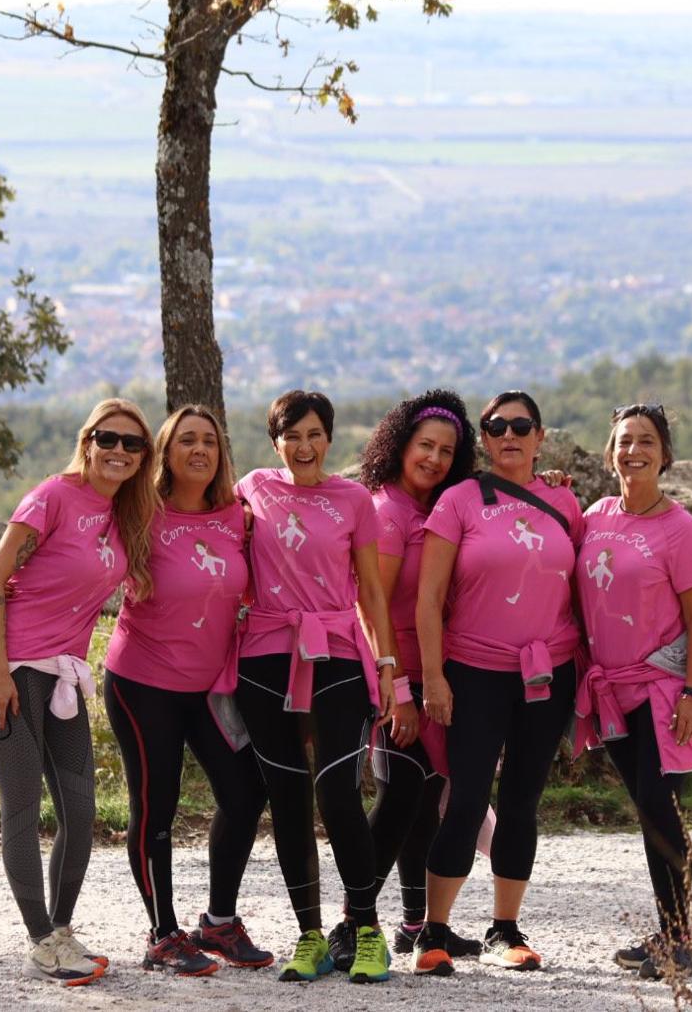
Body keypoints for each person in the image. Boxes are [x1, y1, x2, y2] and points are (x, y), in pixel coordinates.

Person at [0, 398, 157, 986]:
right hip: (7, 670)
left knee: (80, 812)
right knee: (23, 806)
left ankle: (60, 931)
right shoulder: (52, 496)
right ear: (87, 442)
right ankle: (40, 942)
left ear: (143, 457)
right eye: (107, 438)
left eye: (132, 443)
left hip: (61, 674)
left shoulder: (125, 513)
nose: (118, 450)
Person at [229, 389, 399, 984]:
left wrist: (386, 665)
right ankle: (309, 937)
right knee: (288, 796)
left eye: (314, 435)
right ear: (275, 443)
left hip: (337, 653)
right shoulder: (251, 488)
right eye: (291, 436)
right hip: (264, 655)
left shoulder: (354, 499)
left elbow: (371, 590)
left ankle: (367, 931)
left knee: (336, 791)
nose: (304, 447)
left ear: (329, 438)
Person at [414, 390, 584, 975]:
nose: (509, 434)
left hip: (548, 672)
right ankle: (434, 932)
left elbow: (583, 586)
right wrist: (433, 676)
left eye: (521, 425)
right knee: (465, 800)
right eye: (496, 426)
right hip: (473, 670)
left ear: (540, 436)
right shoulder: (458, 500)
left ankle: (505, 929)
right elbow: (429, 598)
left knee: (520, 803)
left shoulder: (566, 501)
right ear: (484, 438)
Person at [101, 405, 274, 977]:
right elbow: (79, 541)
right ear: (166, 453)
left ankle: (218, 923)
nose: (199, 449)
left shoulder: (237, 516)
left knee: (245, 792)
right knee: (157, 808)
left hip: (207, 687)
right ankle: (162, 935)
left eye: (209, 441)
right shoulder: (137, 511)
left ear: (221, 454)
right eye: (186, 440)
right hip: (142, 684)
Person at [575, 403, 692, 983]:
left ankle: (681, 939)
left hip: (665, 691)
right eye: (624, 441)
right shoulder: (595, 515)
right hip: (611, 693)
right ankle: (671, 933)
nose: (634, 450)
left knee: (661, 810)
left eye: (646, 441)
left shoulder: (680, 528)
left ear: (665, 455)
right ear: (610, 454)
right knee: (649, 811)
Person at [346, 389, 484, 966]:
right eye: (425, 445)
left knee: (424, 800)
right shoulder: (388, 510)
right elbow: (370, 604)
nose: (434, 458)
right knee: (399, 797)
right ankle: (353, 924)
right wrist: (398, 689)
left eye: (447, 451)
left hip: (433, 672)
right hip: (393, 674)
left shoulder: (440, 507)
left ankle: (415, 923)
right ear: (401, 445)